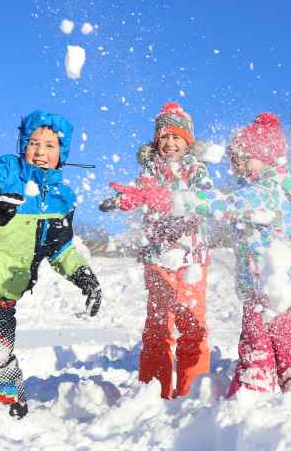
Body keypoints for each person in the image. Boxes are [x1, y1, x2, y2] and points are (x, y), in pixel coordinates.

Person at [0, 110, 102, 419]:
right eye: (34, 143)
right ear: (23, 144)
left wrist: (84, 276)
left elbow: (61, 248)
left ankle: (8, 410)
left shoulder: (61, 198)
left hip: (4, 291)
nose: (40, 152)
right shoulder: (7, 168)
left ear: (61, 154)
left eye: (50, 146)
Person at [178, 113, 291, 395]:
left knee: (259, 348)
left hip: (270, 290)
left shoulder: (263, 190)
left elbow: (223, 204)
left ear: (263, 156)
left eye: (243, 158)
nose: (237, 166)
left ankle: (253, 395)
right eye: (234, 160)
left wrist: (175, 199)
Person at [100, 101, 214, 399]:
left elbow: (207, 197)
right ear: (156, 142)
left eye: (177, 137)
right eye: (164, 137)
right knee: (158, 325)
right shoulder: (150, 170)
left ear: (187, 141)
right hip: (157, 258)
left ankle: (193, 390)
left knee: (192, 324)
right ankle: (153, 390)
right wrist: (122, 200)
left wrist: (175, 197)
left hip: (191, 259)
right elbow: (139, 192)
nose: (170, 142)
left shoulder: (196, 169)